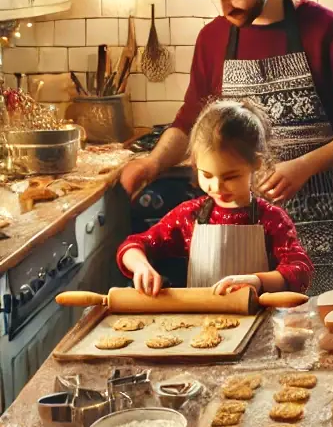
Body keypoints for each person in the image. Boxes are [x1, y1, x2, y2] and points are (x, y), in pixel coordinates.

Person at [119, 0, 333, 294]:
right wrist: (153, 163)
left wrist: (305, 166)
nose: (224, 10)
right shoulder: (213, 39)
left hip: (323, 227)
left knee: (321, 328)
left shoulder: (330, 32)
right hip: (243, 232)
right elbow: (190, 120)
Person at [118, 99, 313, 295]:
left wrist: (258, 281)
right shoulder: (190, 216)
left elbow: (300, 269)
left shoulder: (271, 219)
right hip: (200, 315)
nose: (217, 186)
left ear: (257, 163)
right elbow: (133, 245)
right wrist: (141, 266)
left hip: (257, 314)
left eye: (230, 177)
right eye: (207, 175)